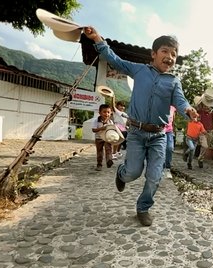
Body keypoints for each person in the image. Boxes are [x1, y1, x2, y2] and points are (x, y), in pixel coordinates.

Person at [84, 26, 198, 227]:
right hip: (136, 132)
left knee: (155, 176)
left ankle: (143, 207)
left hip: (159, 136)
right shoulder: (139, 70)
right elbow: (115, 60)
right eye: (165, 51)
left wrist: (188, 110)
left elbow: (181, 102)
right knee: (133, 173)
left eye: (174, 53)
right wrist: (97, 39)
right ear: (153, 54)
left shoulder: (173, 82)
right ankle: (122, 173)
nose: (170, 57)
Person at [92, 104, 115, 171]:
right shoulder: (96, 120)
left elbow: (112, 129)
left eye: (108, 112)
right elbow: (93, 130)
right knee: (99, 152)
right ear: (99, 113)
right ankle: (99, 164)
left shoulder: (110, 121)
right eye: (104, 112)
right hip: (98, 138)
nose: (106, 114)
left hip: (107, 138)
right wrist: (102, 128)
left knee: (108, 149)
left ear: (110, 113)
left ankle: (109, 160)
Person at [163, 105, 176, 179]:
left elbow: (173, 119)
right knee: (162, 148)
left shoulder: (173, 107)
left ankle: (168, 168)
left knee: (170, 148)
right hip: (161, 130)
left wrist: (173, 130)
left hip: (169, 131)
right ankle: (161, 168)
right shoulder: (160, 103)